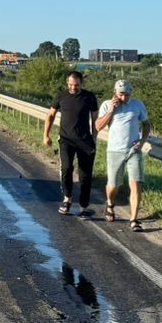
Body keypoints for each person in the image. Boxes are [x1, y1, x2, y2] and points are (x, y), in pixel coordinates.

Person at [95, 78, 151, 230]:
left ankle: (134, 219)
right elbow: (98, 126)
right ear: (115, 93)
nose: (124, 97)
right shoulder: (107, 104)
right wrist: (111, 111)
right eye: (120, 94)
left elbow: (146, 124)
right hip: (115, 150)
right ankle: (110, 204)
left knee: (136, 183)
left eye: (126, 94)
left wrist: (142, 141)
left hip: (134, 150)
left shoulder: (137, 105)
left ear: (131, 93)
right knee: (113, 184)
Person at [43, 71, 98, 215]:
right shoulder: (61, 96)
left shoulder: (89, 97)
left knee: (85, 175)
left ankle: (84, 206)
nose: (74, 87)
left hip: (85, 140)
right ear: (67, 83)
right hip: (66, 139)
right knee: (67, 168)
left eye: (77, 85)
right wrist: (46, 135)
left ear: (81, 83)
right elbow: (50, 115)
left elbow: (95, 119)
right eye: (71, 85)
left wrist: (94, 138)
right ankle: (67, 199)